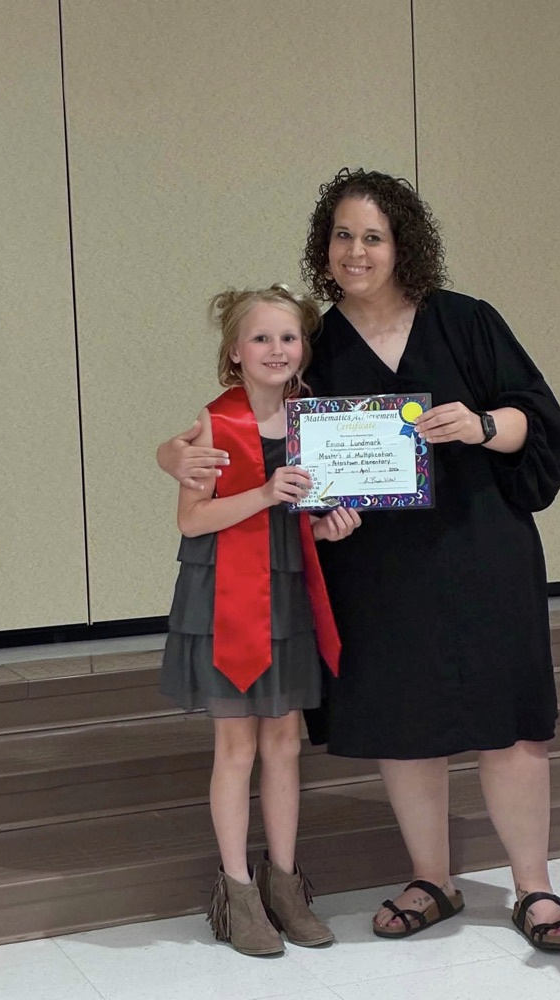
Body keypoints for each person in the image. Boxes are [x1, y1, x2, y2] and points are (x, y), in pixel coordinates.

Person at [157, 170, 560, 953]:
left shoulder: (466, 321)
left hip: (483, 547)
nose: (357, 251)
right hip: (378, 563)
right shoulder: (313, 344)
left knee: (512, 723)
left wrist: (483, 424)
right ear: (327, 247)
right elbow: (246, 425)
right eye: (344, 236)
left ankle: (536, 887)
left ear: (404, 245)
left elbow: (541, 422)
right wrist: (184, 462)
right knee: (403, 721)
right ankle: (433, 878)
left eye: (374, 236)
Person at [160, 284, 361, 956]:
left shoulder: (317, 421)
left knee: (285, 743)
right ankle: (237, 891)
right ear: (235, 353)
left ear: (304, 348)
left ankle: (284, 884)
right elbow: (193, 520)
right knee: (237, 748)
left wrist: (331, 526)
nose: (276, 350)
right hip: (225, 598)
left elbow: (310, 518)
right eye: (261, 338)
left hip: (289, 593)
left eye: (289, 337)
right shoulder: (215, 423)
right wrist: (264, 493)